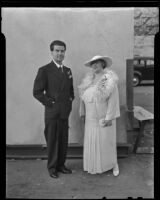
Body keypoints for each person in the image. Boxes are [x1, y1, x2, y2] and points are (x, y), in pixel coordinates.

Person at [33, 40, 74, 178]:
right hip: (52, 112)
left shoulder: (68, 70)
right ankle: (52, 168)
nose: (60, 53)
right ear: (51, 52)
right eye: (57, 50)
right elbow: (37, 92)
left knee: (63, 139)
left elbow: (71, 91)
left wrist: (69, 101)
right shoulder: (44, 70)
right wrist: (50, 103)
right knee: (52, 140)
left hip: (64, 112)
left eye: (62, 51)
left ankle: (61, 165)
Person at [78, 55, 120, 176]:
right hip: (90, 119)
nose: (94, 65)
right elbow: (82, 99)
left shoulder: (109, 80)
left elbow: (113, 100)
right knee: (93, 141)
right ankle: (94, 165)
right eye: (92, 63)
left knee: (107, 142)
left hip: (104, 117)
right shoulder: (88, 80)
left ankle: (113, 164)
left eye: (97, 62)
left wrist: (109, 118)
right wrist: (82, 112)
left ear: (103, 64)